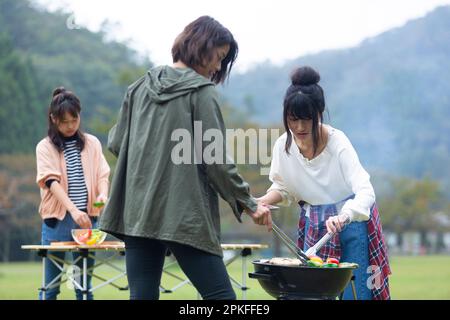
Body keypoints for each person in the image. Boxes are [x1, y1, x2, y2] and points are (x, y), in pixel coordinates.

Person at [99, 16, 271, 300]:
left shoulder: (138, 88)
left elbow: (117, 143)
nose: (218, 67)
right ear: (200, 46)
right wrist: (249, 203)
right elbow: (215, 160)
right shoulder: (202, 93)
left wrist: (153, 159)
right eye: (218, 57)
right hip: (183, 215)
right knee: (222, 299)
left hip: (139, 213)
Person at [257, 66, 391, 300]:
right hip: (314, 223)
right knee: (311, 295)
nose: (299, 127)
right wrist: (259, 202)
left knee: (357, 295)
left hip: (350, 223)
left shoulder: (338, 143)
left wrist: (345, 215)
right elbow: (283, 188)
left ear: (319, 113)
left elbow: (365, 191)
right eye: (293, 119)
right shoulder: (283, 146)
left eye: (306, 119)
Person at [36, 87, 110, 300]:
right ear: (53, 119)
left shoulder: (92, 143)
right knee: (51, 286)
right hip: (57, 223)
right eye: (64, 121)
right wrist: (74, 211)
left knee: (82, 285)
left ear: (80, 116)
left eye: (74, 120)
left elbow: (102, 175)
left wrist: (102, 195)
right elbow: (51, 182)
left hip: (86, 223)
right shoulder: (45, 147)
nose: (70, 126)